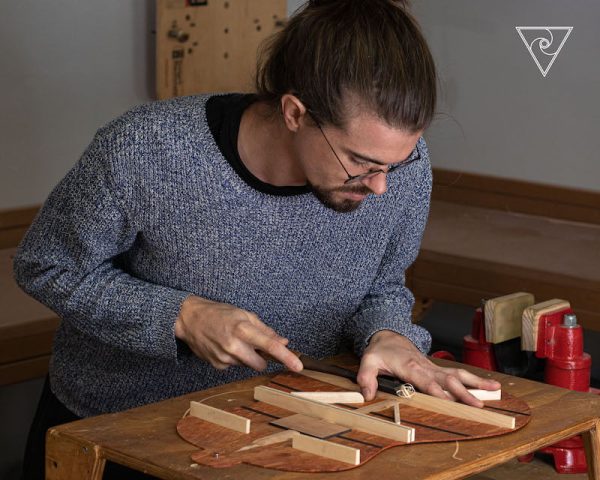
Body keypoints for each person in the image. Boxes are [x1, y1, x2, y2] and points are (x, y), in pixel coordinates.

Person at [15, 0, 500, 478]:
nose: (381, 186)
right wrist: (182, 316)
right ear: (294, 113)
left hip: (294, 432)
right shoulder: (148, 150)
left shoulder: (399, 170)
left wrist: (388, 334)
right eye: (361, 162)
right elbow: (46, 265)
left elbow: (382, 287)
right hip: (119, 433)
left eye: (396, 163)